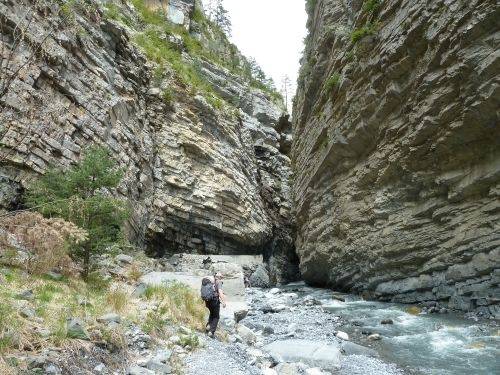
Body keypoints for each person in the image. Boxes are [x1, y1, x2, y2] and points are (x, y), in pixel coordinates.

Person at [204, 272, 226, 337]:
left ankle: (208, 326)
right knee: (216, 317)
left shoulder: (210, 281)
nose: (222, 278)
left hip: (208, 301)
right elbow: (220, 292)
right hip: (214, 301)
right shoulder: (219, 282)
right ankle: (211, 332)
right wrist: (223, 302)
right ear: (219, 277)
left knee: (212, 313)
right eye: (221, 277)